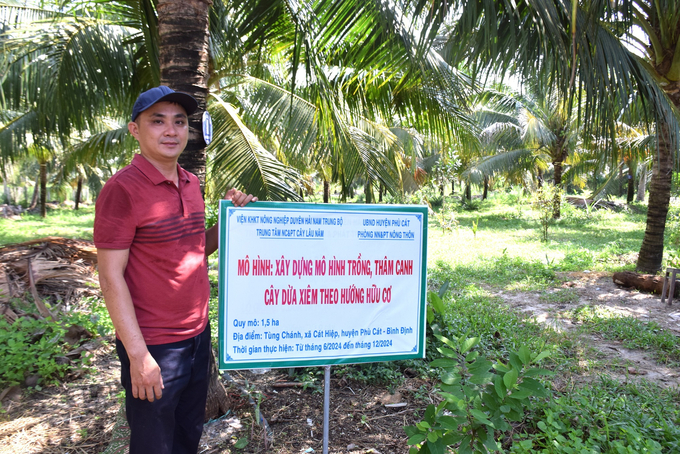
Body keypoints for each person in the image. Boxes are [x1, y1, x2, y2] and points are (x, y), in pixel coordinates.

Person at [94, 85, 256, 454]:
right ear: (135, 130)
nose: (171, 130)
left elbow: (195, 249)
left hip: (197, 338)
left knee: (187, 437)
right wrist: (138, 356)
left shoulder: (190, 182)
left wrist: (234, 218)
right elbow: (109, 275)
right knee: (154, 445)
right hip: (154, 345)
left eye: (179, 122)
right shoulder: (123, 189)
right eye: (158, 121)